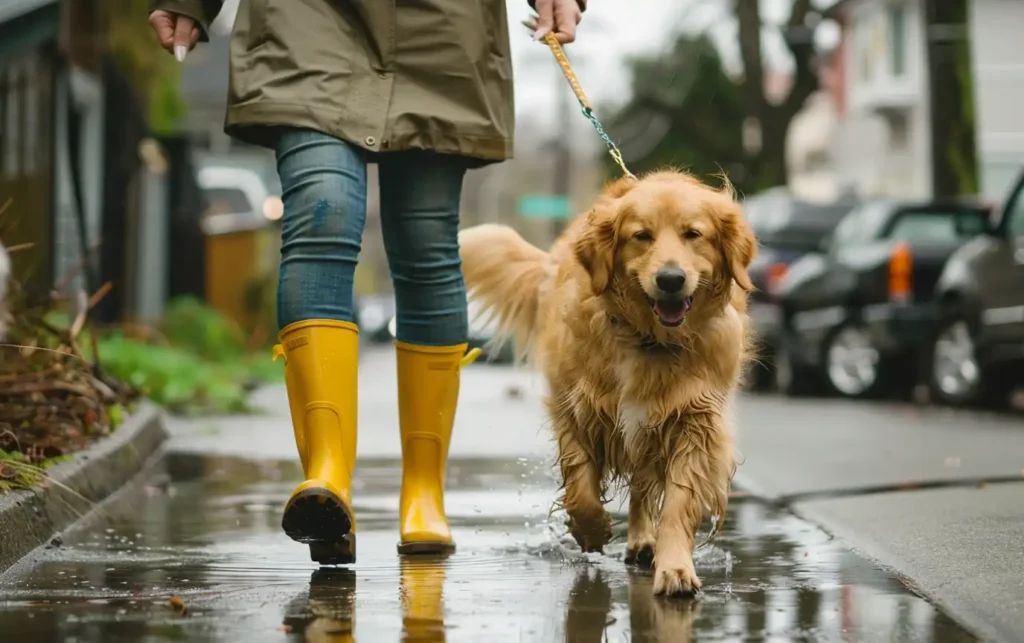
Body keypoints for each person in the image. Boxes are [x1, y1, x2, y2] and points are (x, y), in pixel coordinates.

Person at [148, 0, 587, 564]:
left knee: (427, 247)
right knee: (323, 209)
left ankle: (424, 490)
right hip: (308, 18)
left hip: (442, 25)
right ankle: (327, 476)